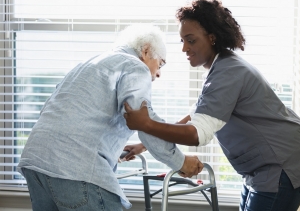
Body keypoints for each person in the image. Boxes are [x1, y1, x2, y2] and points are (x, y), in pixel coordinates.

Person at [123, 0, 300, 211]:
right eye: (182, 41)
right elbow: (195, 115)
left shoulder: (228, 72)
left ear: (212, 38)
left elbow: (196, 134)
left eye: (190, 40)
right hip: (264, 167)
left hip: (284, 164)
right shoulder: (220, 68)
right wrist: (145, 144)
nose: (184, 49)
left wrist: (146, 125)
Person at [17, 24, 203, 211]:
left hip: (36, 163)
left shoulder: (88, 64)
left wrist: (109, 148)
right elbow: (145, 121)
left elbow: (66, 114)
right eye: (161, 63)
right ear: (146, 51)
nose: (159, 73)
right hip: (75, 169)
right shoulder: (134, 66)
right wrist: (181, 161)